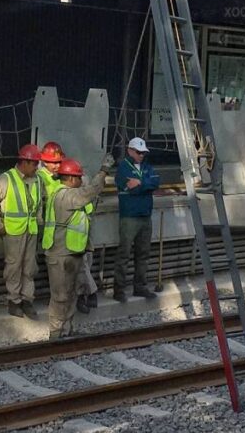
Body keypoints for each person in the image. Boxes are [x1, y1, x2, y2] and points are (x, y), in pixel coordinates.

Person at [43, 155, 113, 340]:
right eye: (79, 177)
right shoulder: (65, 195)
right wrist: (104, 170)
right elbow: (91, 191)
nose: (81, 181)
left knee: (71, 293)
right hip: (61, 254)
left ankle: (66, 330)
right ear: (72, 178)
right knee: (60, 296)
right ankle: (56, 333)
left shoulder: (66, 195)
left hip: (71, 252)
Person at [38, 142, 99, 314]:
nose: (56, 165)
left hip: (78, 227)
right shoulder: (42, 179)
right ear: (44, 162)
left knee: (83, 264)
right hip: (60, 232)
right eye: (53, 162)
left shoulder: (68, 178)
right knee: (67, 274)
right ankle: (86, 294)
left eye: (59, 162)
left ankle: (80, 297)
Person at [0, 144, 42, 319]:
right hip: (13, 231)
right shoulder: (6, 179)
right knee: (14, 266)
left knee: (29, 267)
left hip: (30, 230)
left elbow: (39, 204)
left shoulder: (37, 179)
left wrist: (38, 223)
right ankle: (14, 301)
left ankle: (27, 300)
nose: (36, 168)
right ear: (24, 162)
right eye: (34, 164)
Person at [113, 137, 161, 302]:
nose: (141, 155)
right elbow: (129, 187)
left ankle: (140, 286)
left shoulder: (147, 166)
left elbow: (156, 181)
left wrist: (140, 183)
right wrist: (145, 185)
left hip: (145, 216)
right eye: (139, 152)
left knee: (143, 253)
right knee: (124, 254)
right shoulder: (123, 168)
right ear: (130, 151)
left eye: (143, 153)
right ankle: (119, 289)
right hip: (129, 216)